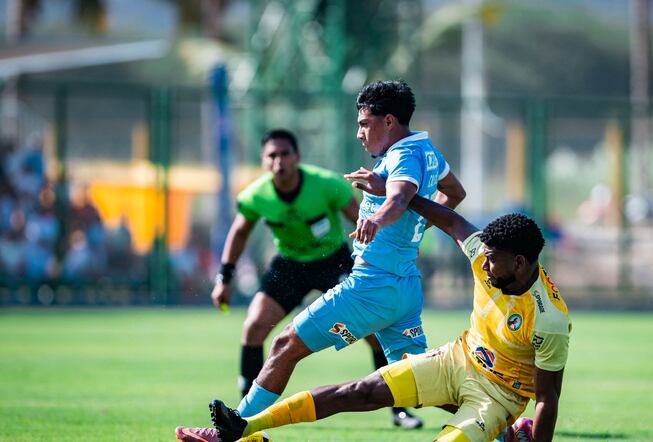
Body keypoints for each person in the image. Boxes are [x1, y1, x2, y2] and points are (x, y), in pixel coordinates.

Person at [177, 80, 466, 440]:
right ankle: (505, 425)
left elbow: (400, 195)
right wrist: (417, 223)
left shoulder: (404, 156)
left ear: (389, 120)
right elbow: (455, 192)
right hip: (404, 285)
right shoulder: (428, 149)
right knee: (422, 379)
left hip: (370, 286)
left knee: (285, 344)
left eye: (364, 123)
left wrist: (379, 218)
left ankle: (231, 434)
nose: (360, 132)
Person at [207, 191, 571, 442]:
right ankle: (245, 426)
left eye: (493, 259)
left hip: (498, 397)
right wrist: (399, 195)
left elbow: (546, 400)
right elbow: (450, 220)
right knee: (361, 391)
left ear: (520, 263)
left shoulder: (549, 319)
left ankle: (507, 433)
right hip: (456, 361)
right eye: (485, 256)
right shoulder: (485, 257)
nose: (484, 264)